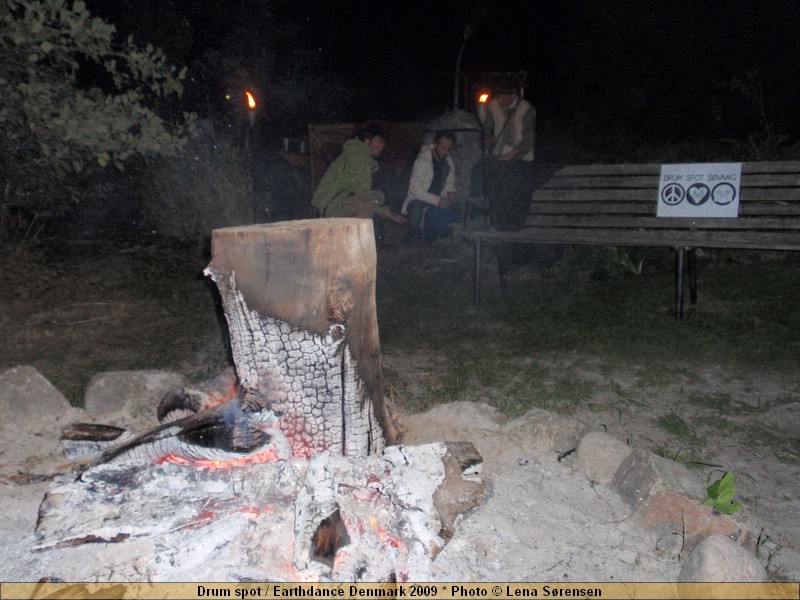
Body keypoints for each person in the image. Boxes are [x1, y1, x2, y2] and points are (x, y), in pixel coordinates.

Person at [311, 122, 405, 249]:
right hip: (330, 205)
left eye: (383, 143)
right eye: (378, 142)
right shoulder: (358, 156)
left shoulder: (360, 155)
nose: (381, 147)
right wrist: (386, 212)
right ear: (367, 141)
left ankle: (362, 240)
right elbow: (363, 194)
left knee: (378, 196)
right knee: (366, 204)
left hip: (336, 200)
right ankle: (358, 246)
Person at [481, 78, 536, 231]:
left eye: (503, 97)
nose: (500, 100)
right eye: (498, 96)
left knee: (511, 185)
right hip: (499, 155)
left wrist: (512, 154)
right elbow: (488, 127)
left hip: (521, 158)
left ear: (513, 95)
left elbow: (529, 138)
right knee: (488, 178)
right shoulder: (493, 106)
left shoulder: (526, 109)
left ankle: (511, 223)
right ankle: (495, 221)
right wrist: (489, 137)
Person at [401, 130, 457, 243]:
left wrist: (451, 194)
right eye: (443, 148)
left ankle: (430, 232)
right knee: (416, 208)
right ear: (435, 145)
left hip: (436, 202)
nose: (446, 152)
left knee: (449, 215)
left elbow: (450, 184)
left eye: (449, 149)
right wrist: (437, 201)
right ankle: (415, 231)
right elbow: (415, 189)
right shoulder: (422, 161)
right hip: (420, 200)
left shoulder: (448, 162)